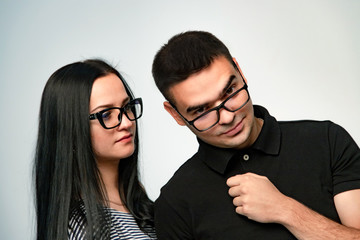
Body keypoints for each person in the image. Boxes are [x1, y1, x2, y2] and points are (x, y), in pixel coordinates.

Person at [151, 31, 360, 239]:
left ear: (240, 71)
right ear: (175, 114)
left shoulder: (326, 141)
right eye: (202, 110)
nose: (226, 117)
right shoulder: (175, 203)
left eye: (229, 91)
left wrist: (286, 210)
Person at [34, 59, 157, 240]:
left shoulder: (139, 203)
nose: (127, 122)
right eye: (106, 114)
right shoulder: (82, 228)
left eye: (127, 107)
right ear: (71, 129)